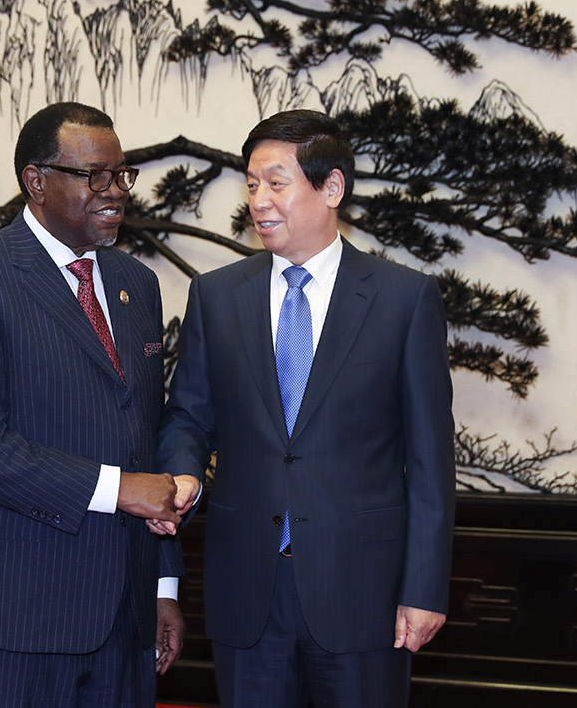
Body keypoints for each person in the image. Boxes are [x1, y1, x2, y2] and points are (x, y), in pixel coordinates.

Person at [153, 109, 456, 707]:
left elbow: (429, 461)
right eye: (251, 185)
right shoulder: (216, 296)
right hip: (248, 589)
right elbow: (188, 415)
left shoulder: (404, 299)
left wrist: (424, 588)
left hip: (363, 592)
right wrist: (183, 473)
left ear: (332, 187)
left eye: (276, 182)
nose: (259, 201)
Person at [0, 102, 192, 707]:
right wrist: (117, 488)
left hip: (127, 617)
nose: (114, 191)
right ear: (36, 181)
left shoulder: (137, 284)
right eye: (94, 176)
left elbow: (144, 439)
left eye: (121, 175)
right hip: (17, 613)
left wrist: (163, 586)